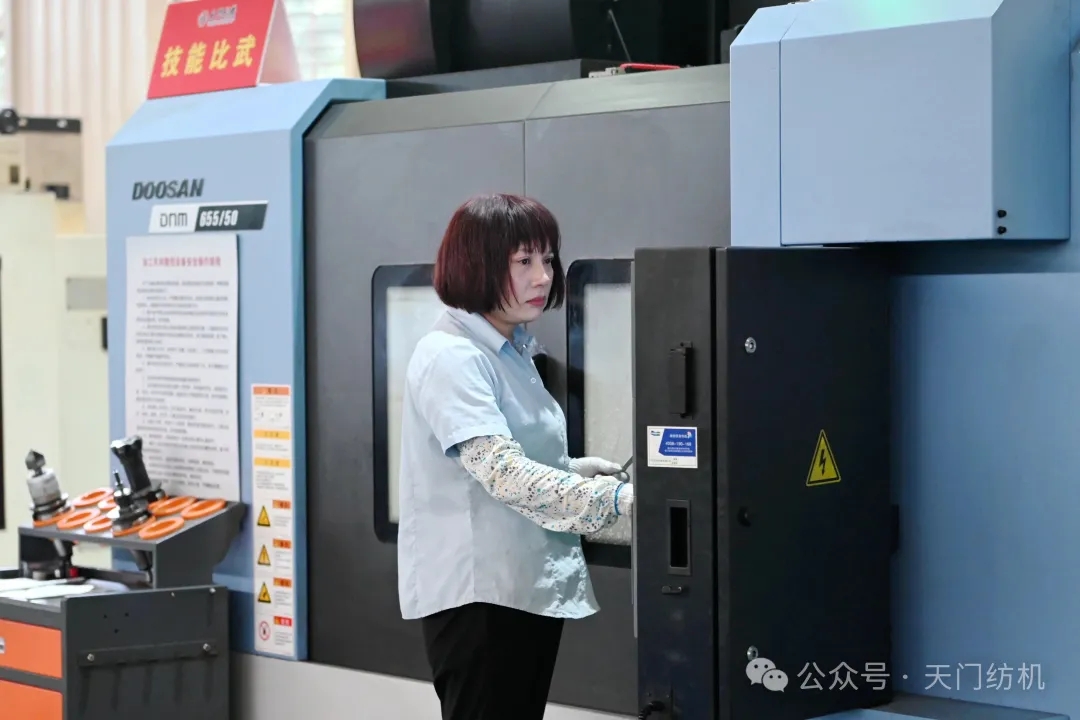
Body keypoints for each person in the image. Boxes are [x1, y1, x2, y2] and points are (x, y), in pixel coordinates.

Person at [396, 193, 632, 720]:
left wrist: (574, 471)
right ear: (476, 264)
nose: (543, 276)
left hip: (520, 587)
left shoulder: (511, 348)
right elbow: (502, 474)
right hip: (481, 598)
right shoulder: (452, 356)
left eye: (547, 259)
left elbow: (497, 460)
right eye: (523, 261)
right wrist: (614, 501)